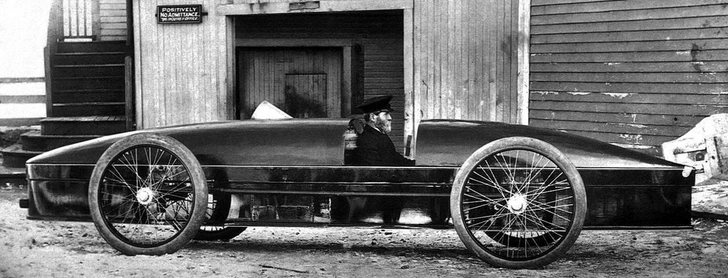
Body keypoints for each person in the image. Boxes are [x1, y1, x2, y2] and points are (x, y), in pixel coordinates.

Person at [352, 95, 415, 166]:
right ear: (373, 117)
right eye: (386, 114)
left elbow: (395, 159)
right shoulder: (367, 141)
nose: (390, 118)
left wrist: (417, 165)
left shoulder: (379, 136)